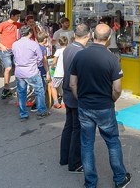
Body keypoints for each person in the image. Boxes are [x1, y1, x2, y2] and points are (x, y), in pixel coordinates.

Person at [70, 24, 131, 188]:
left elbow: (72, 84)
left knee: (87, 144)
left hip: (84, 106)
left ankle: (90, 183)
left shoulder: (80, 55)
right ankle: (119, 178)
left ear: (92, 36)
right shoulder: (113, 58)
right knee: (112, 142)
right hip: (104, 106)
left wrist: (80, 98)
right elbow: (117, 88)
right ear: (109, 38)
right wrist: (112, 99)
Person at [60, 23, 90, 174]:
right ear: (88, 35)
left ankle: (64, 157)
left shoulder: (68, 48)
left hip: (67, 91)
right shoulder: (81, 52)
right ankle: (75, 162)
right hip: (75, 92)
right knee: (77, 129)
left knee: (69, 126)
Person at [12, 25, 50, 121]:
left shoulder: (15, 44)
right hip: (32, 71)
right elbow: (40, 58)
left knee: (21, 93)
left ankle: (23, 114)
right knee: (39, 91)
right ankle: (41, 111)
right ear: (30, 33)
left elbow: (14, 57)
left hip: (19, 71)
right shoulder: (33, 44)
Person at [0, 9, 22, 99]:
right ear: (12, 16)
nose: (18, 18)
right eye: (17, 16)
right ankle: (6, 88)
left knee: (16, 68)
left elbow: (26, 26)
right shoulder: (3, 24)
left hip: (14, 49)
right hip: (5, 50)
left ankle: (14, 88)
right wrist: (0, 45)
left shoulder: (16, 24)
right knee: (8, 68)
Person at [51, 36, 68, 109]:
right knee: (65, 88)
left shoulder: (58, 51)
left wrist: (52, 66)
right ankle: (64, 103)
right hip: (66, 72)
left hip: (58, 73)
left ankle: (56, 103)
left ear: (59, 43)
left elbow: (54, 62)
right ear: (67, 42)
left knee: (53, 86)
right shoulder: (69, 50)